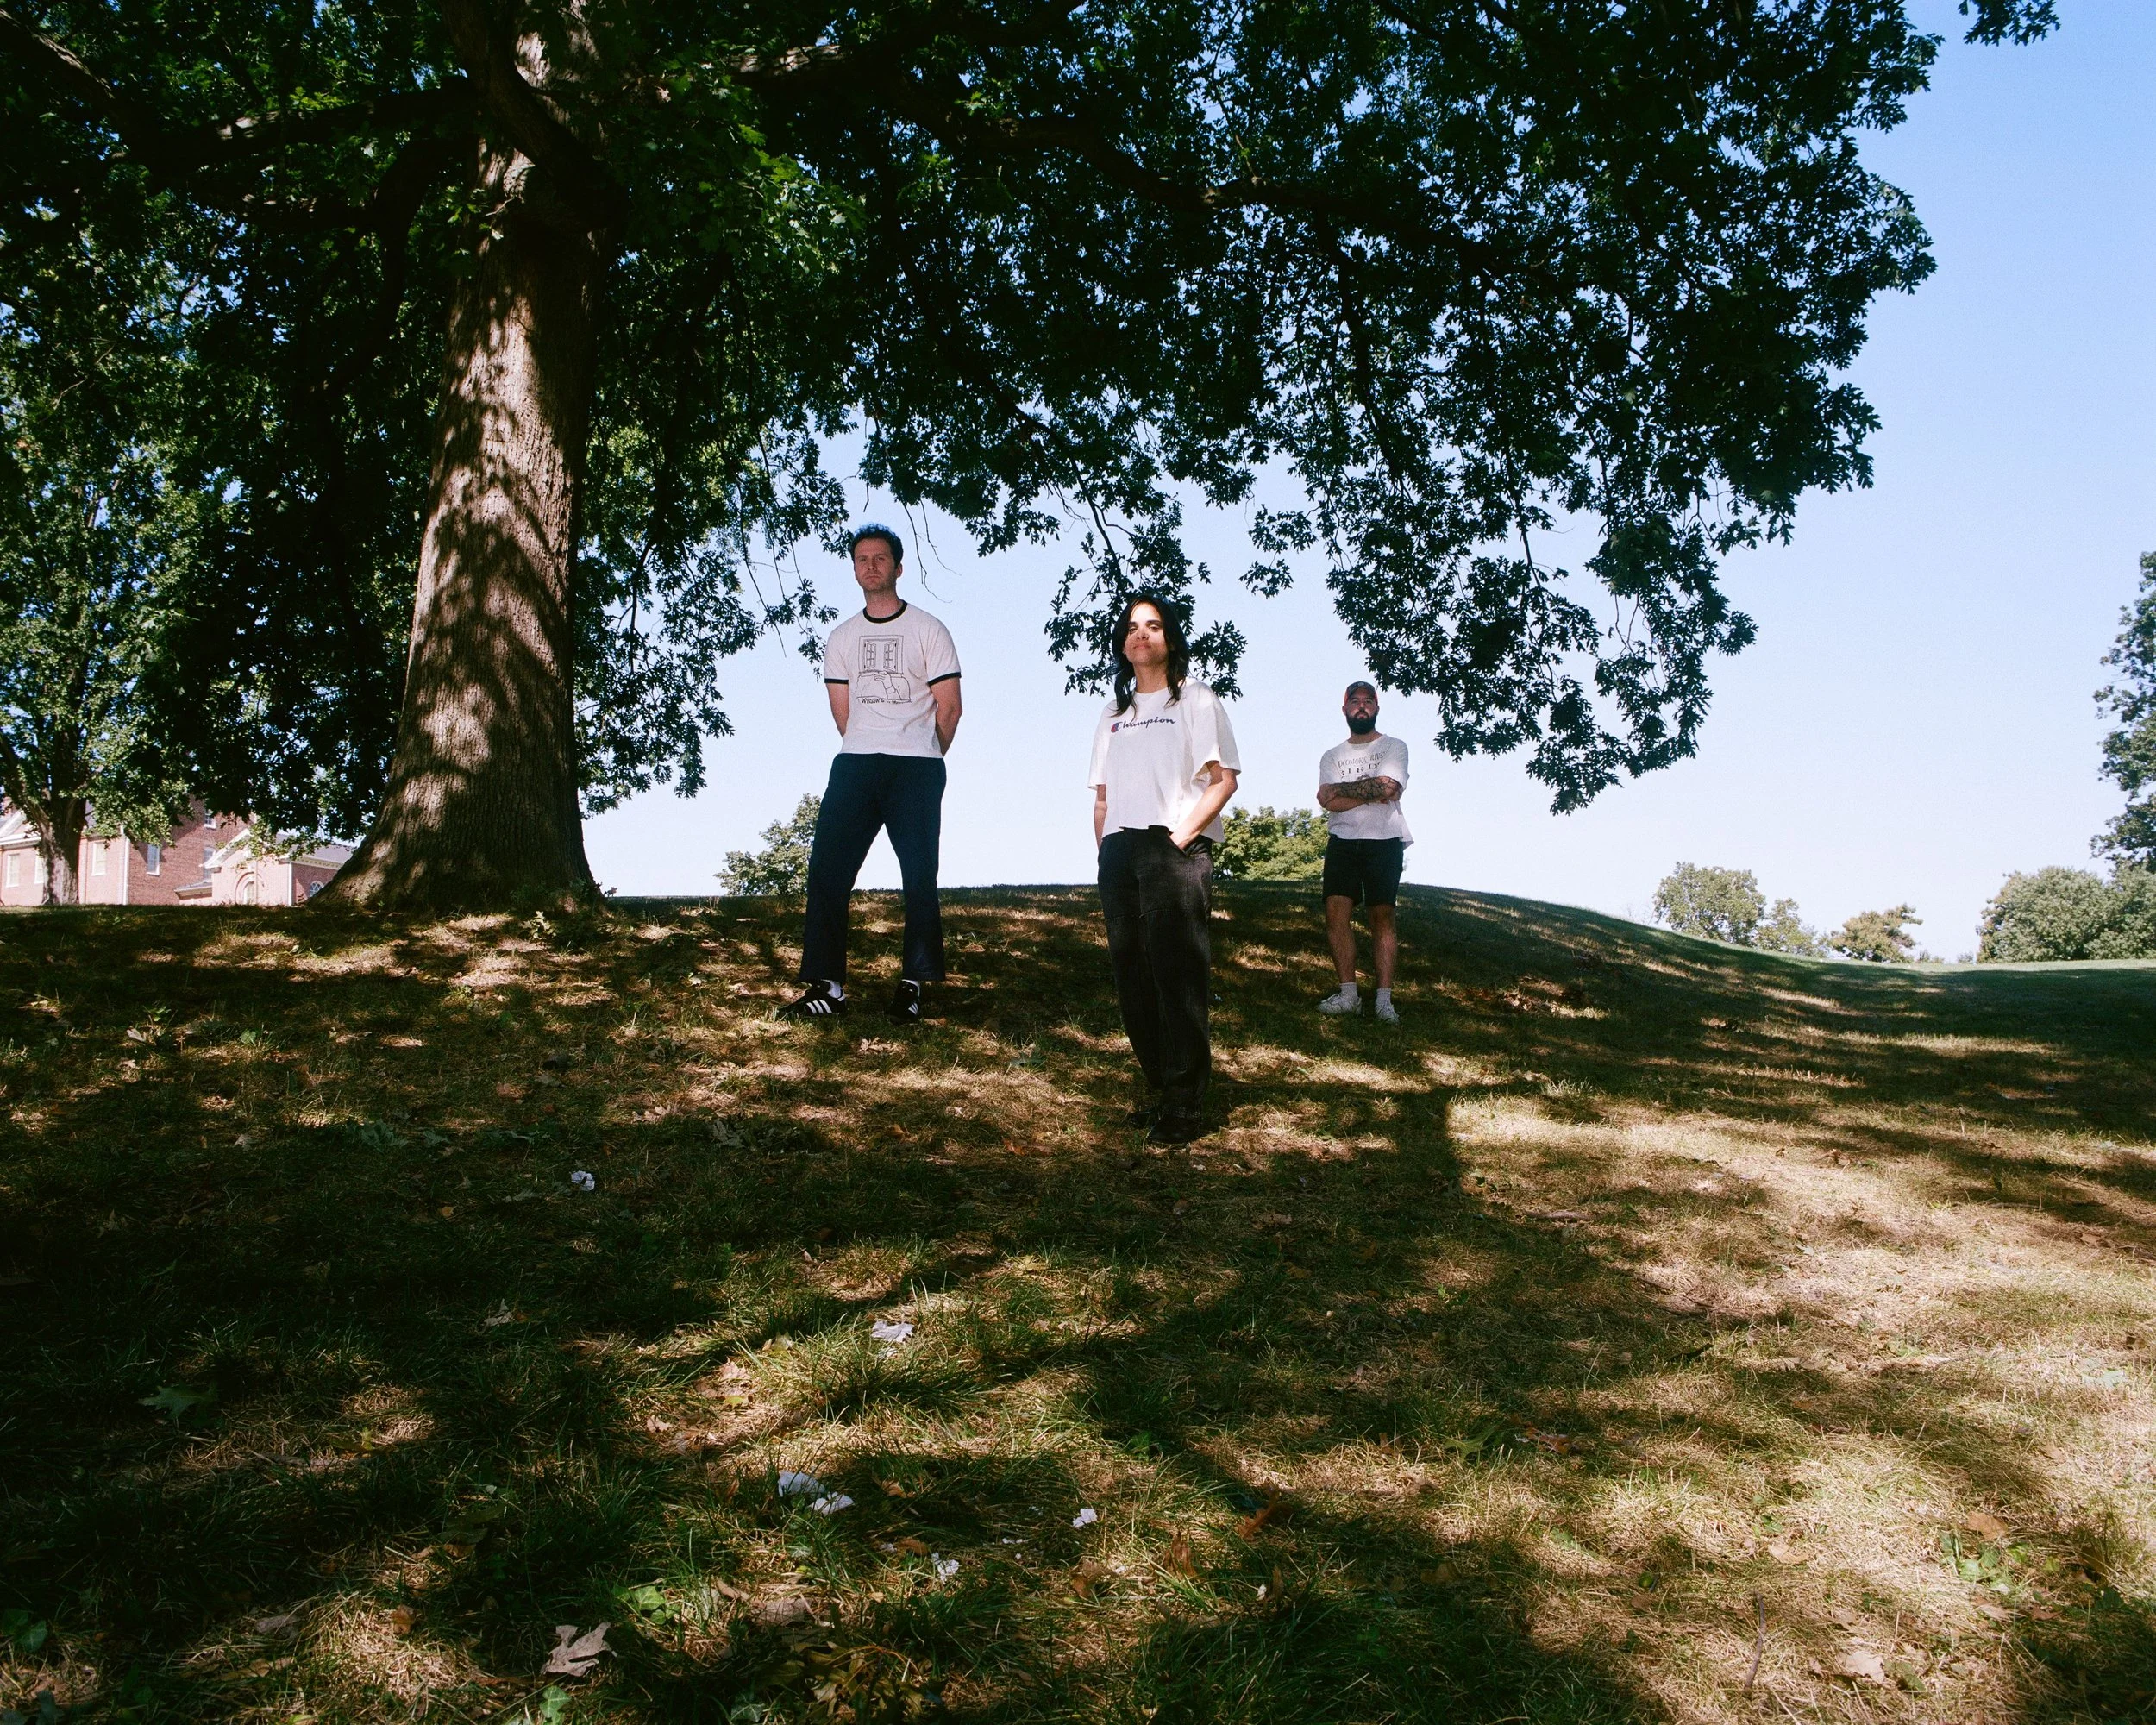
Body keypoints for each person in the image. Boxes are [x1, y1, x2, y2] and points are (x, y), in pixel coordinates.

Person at [780, 524, 962, 1024]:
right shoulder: (841, 638)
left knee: (919, 877)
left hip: (917, 770)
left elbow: (950, 709)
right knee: (827, 872)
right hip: (856, 766)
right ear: (855, 569)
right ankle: (828, 987)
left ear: (898, 567)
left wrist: (923, 752)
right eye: (862, 559)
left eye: (881, 558)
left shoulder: (930, 629)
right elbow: (843, 714)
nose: (872, 565)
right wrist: (869, 744)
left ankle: (912, 984)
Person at [1087, 594, 1240, 1143]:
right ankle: (1159, 1085)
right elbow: (1101, 794)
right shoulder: (1112, 712)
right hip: (1121, 854)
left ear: (1170, 639)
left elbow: (1224, 780)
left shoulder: (1194, 698)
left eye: (1153, 627)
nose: (1141, 635)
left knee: (1177, 977)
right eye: (1131, 628)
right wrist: (1104, 847)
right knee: (1133, 976)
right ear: (1122, 643)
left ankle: (1184, 1104)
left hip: (1174, 851)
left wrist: (1179, 838)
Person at [1315, 680, 1410, 1023]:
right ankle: (1348, 995)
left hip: (1384, 840)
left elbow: (1391, 786)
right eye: (1354, 701)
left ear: (1377, 707)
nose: (1361, 706)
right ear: (1344, 709)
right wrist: (1374, 790)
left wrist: (1346, 791)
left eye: (1367, 700)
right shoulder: (1332, 756)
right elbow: (1327, 800)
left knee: (1381, 917)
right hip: (1342, 842)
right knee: (1335, 914)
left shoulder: (1394, 747)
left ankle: (1384, 1001)